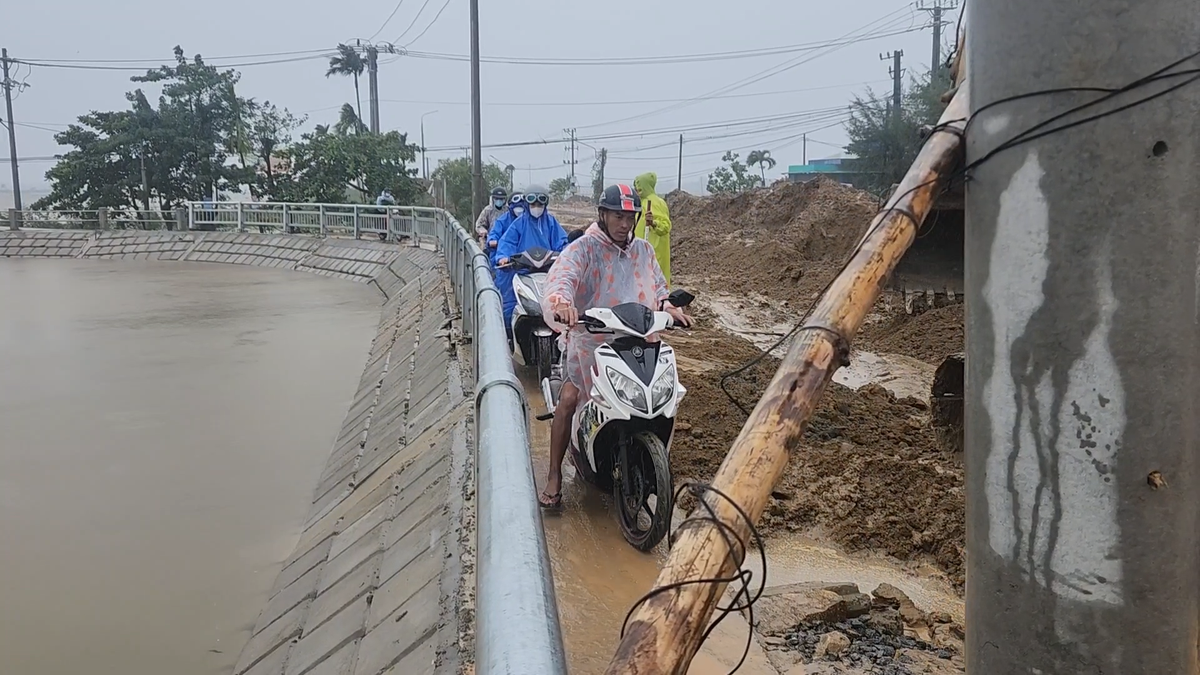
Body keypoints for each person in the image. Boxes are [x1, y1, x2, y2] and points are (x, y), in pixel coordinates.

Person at [536, 184, 692, 508]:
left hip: (638, 341)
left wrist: (670, 307)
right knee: (568, 398)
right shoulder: (583, 249)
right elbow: (561, 279)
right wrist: (562, 303)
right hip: (591, 342)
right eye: (618, 216)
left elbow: (659, 288)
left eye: (629, 217)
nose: (624, 223)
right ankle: (554, 476)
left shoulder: (644, 251)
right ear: (603, 215)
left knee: (665, 394)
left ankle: (648, 461)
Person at [496, 186, 567, 330]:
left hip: (548, 273)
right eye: (533, 204)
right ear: (527, 205)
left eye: (540, 204)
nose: (536, 207)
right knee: (509, 308)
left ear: (545, 205)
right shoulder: (519, 224)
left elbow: (563, 243)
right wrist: (504, 257)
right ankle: (510, 338)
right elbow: (508, 242)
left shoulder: (551, 223)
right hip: (523, 272)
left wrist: (566, 254)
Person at [633, 172, 673, 286]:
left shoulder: (656, 202)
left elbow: (666, 226)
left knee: (654, 283)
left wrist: (653, 223)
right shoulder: (641, 203)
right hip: (640, 250)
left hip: (654, 250)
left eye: (639, 185)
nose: (637, 188)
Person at [486, 190, 527, 266]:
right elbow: (494, 234)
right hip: (506, 261)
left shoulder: (530, 222)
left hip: (525, 261)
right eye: (517, 208)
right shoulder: (502, 220)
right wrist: (492, 241)